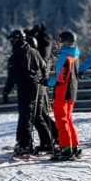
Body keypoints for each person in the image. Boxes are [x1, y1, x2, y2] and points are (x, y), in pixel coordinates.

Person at [2, 29, 55, 156]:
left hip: (25, 90)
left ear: (14, 40)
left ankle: (25, 145)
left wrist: (6, 91)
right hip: (37, 89)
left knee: (25, 117)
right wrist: (42, 81)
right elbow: (43, 66)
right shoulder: (34, 51)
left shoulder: (15, 56)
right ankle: (47, 143)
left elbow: (12, 77)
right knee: (37, 116)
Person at [47, 31, 81, 160]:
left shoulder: (64, 57)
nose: (58, 43)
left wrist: (47, 82)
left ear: (66, 42)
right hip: (71, 92)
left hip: (62, 91)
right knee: (68, 119)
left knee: (61, 119)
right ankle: (73, 146)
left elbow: (59, 77)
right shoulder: (75, 55)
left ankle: (66, 148)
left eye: (60, 40)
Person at [26, 24, 57, 152]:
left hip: (40, 83)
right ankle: (53, 136)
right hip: (41, 82)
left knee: (39, 114)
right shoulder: (44, 44)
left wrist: (34, 35)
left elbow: (40, 57)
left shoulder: (43, 46)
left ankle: (52, 137)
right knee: (40, 114)